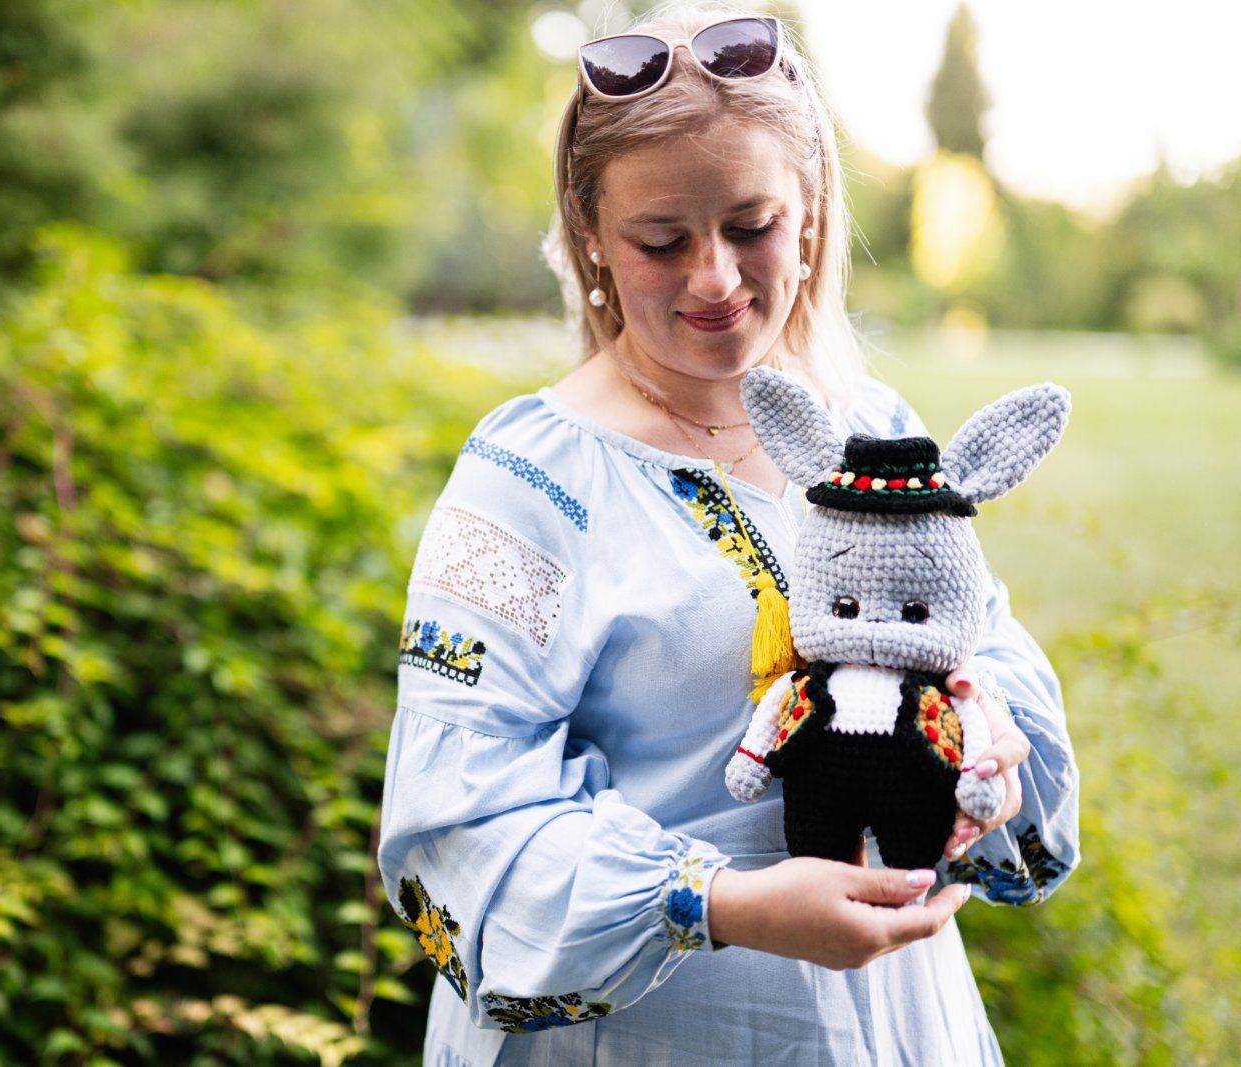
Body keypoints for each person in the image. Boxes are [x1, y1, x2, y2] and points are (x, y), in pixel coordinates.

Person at [378, 4, 1079, 1063]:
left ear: (810, 215)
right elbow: (455, 823)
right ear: (589, 235)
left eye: (749, 224)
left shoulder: (877, 432)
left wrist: (995, 746)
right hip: (642, 1036)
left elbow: (979, 647)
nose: (714, 277)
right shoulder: (518, 487)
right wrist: (724, 901)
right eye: (661, 240)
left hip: (890, 1021)